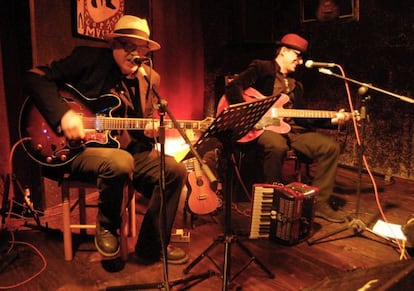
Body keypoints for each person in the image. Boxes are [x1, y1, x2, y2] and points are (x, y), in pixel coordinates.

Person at [24, 15, 189, 264]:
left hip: (128, 151)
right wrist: (63, 115)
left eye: (139, 48)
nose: (133, 53)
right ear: (113, 45)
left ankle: (151, 246)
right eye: (126, 45)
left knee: (175, 169)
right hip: (78, 151)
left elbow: (142, 127)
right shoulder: (88, 59)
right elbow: (35, 76)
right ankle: (107, 226)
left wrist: (150, 132)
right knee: (119, 161)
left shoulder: (150, 79)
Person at [224, 33, 351, 223]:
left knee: (329, 148)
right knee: (277, 146)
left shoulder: (296, 85)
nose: (300, 61)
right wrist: (249, 113)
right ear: (283, 51)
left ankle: (321, 204)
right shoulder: (262, 67)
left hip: (291, 130)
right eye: (297, 55)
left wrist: (334, 120)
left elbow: (304, 118)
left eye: (301, 57)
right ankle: (272, 204)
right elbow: (233, 87)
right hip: (262, 128)